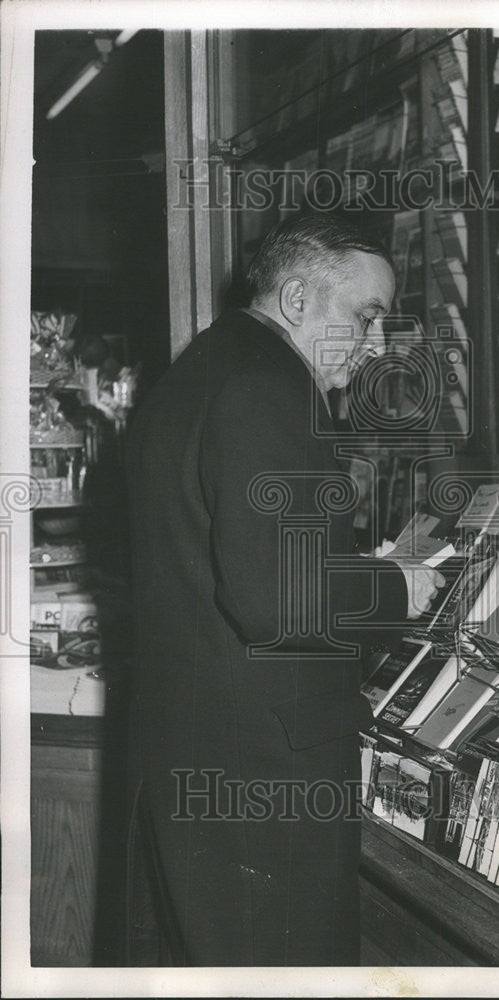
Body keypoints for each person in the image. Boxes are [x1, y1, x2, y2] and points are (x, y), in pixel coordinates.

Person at [124, 210, 443, 966]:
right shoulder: (271, 387)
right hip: (266, 765)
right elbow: (276, 599)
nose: (374, 346)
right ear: (297, 299)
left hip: (202, 747)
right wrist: (397, 588)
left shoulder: (204, 367)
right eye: (365, 317)